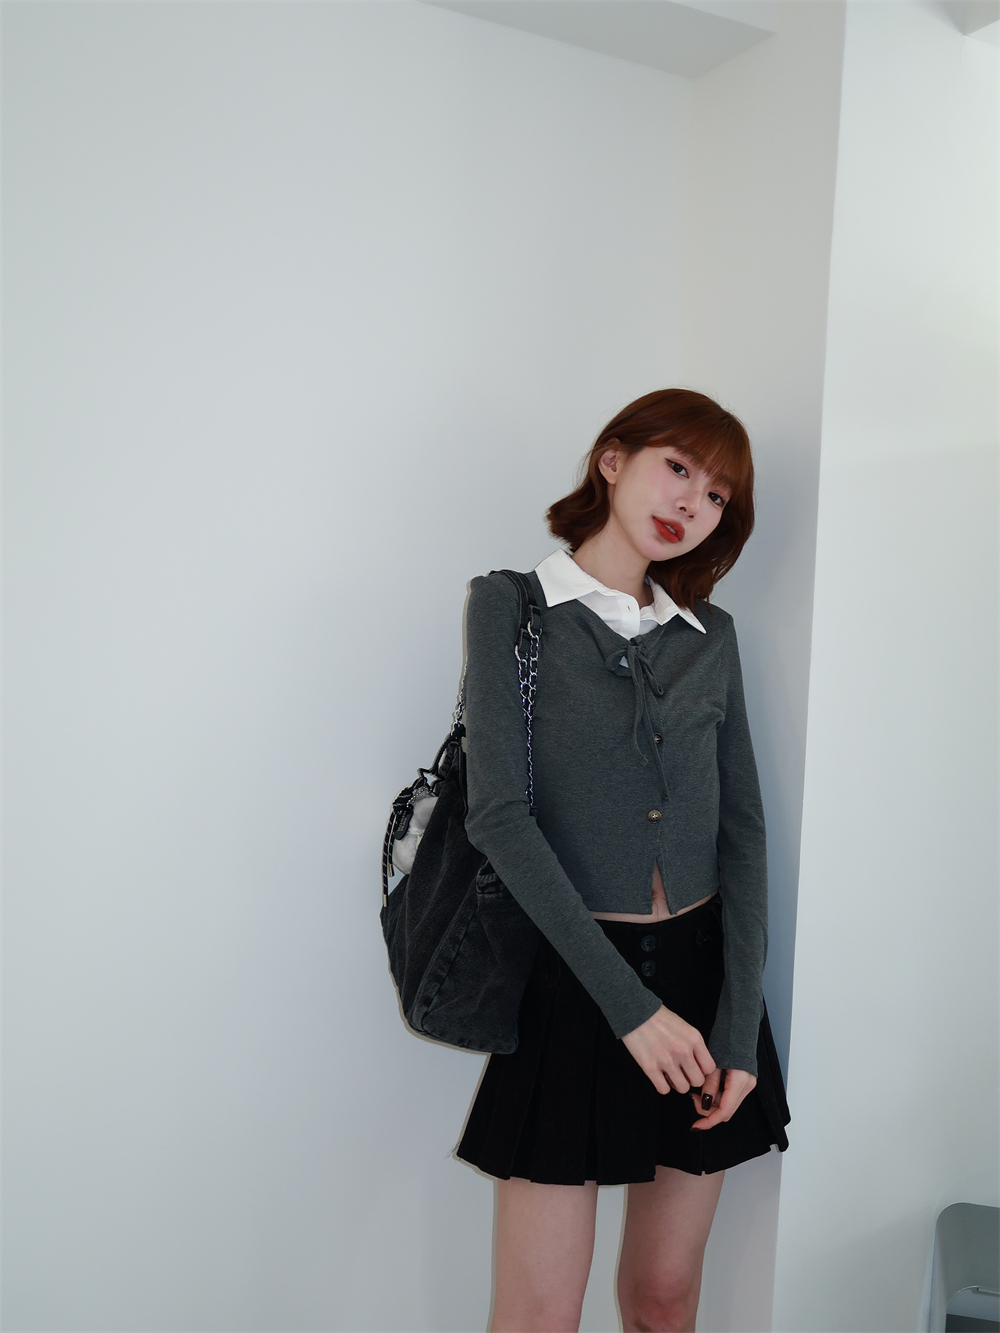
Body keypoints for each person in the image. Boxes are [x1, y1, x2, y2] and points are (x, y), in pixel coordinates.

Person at [453, 388, 791, 1333]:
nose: (692, 503)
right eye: (678, 467)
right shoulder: (512, 608)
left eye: (717, 495)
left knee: (663, 1299)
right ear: (612, 460)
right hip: (575, 981)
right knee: (539, 1315)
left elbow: (744, 833)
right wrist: (632, 1010)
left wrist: (735, 1030)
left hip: (703, 989)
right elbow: (498, 817)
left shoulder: (711, 638)